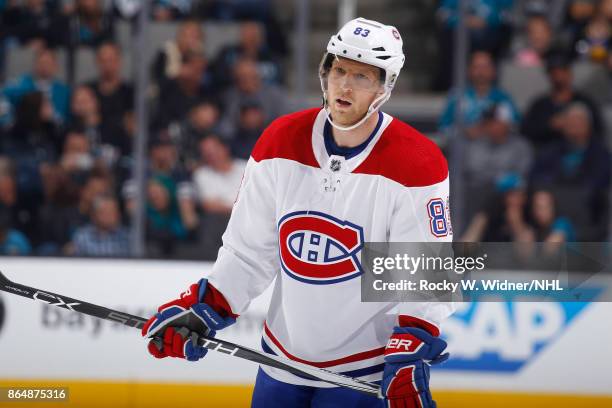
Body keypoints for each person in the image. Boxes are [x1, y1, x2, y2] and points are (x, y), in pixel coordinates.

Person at [141, 18, 453, 407]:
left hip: (362, 374)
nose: (345, 85)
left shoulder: (416, 162)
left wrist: (414, 341)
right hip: (279, 364)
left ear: (384, 87)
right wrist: (207, 305)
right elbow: (249, 251)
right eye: (339, 70)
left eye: (361, 76)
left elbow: (425, 272)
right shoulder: (279, 140)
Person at [521, 52, 604, 150]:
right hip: (548, 156)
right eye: (554, 73)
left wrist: (576, 126)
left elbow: (598, 131)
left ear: (570, 74)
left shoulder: (585, 102)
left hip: (582, 155)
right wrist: (550, 125)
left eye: (562, 71)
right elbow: (526, 131)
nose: (559, 77)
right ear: (549, 76)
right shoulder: (540, 105)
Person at [438, 50, 520, 137]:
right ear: (468, 70)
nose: (481, 71)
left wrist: (500, 128)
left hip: (495, 147)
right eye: (476, 67)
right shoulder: (457, 96)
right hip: (465, 146)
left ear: (494, 70)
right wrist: (465, 132)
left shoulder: (503, 97)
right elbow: (443, 127)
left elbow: (516, 126)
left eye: (485, 67)